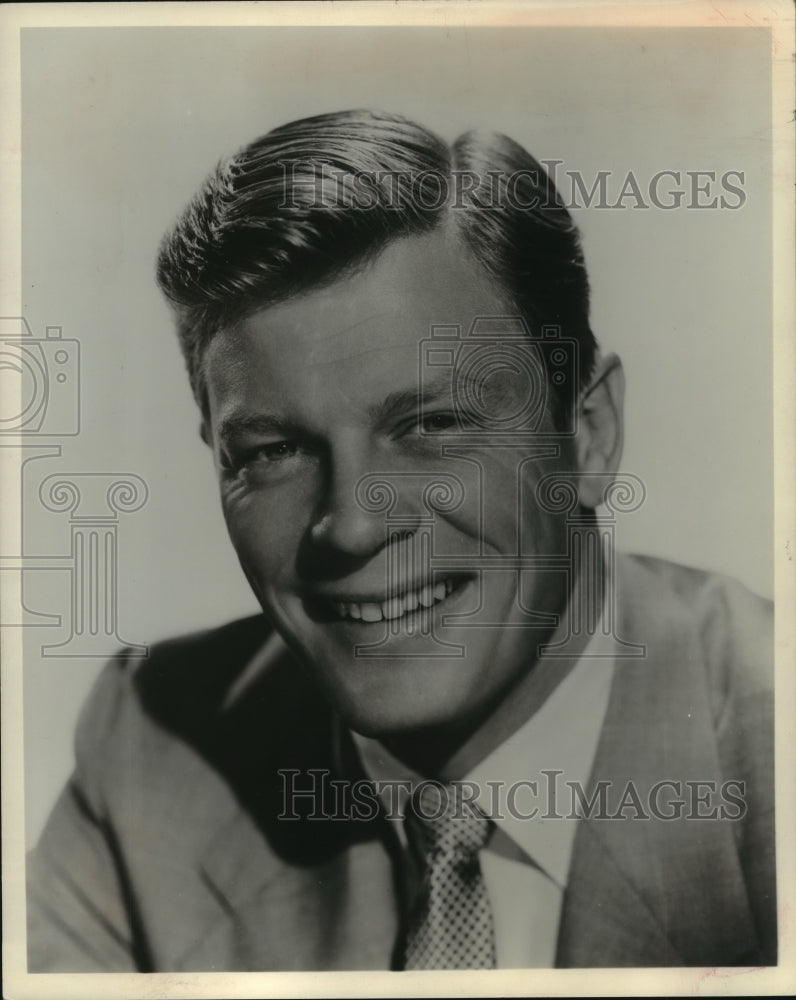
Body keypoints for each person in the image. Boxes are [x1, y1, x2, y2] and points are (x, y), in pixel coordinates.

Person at [27, 109, 775, 971]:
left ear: (590, 435)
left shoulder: (768, 750)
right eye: (273, 452)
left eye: (432, 423)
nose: (351, 522)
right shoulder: (155, 747)